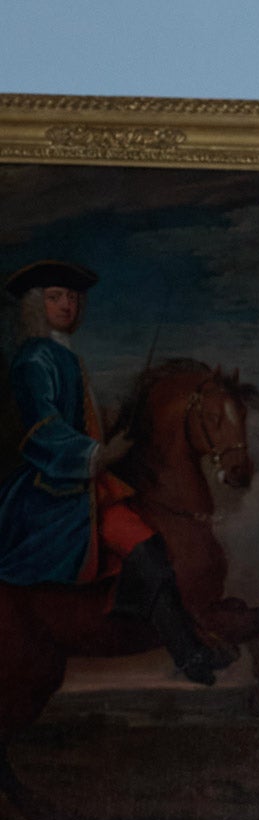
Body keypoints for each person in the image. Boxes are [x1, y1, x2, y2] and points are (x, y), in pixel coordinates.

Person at [0, 258, 230, 681]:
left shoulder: (61, 353)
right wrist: (99, 455)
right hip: (56, 488)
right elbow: (43, 430)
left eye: (72, 297)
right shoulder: (35, 358)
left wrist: (111, 420)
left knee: (151, 542)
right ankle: (186, 653)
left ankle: (181, 643)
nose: (67, 305)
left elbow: (78, 417)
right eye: (55, 297)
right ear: (35, 306)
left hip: (84, 481)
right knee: (144, 546)